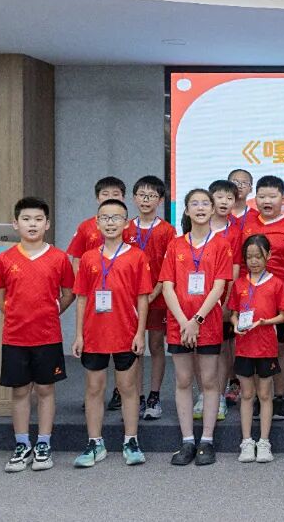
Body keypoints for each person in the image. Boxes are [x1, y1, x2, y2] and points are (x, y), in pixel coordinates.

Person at [0, 197, 75, 472]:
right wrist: (18, 315)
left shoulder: (59, 258)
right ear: (15, 224)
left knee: (45, 389)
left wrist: (50, 312)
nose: (32, 224)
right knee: (19, 390)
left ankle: (43, 444)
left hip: (47, 336)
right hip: (15, 337)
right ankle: (22, 444)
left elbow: (68, 294)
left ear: (47, 224)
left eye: (38, 219)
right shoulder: (5, 259)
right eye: (26, 219)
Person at [72, 198, 152, 467]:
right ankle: (95, 443)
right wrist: (79, 335)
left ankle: (131, 440)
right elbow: (82, 298)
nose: (110, 223)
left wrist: (140, 333)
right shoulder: (88, 258)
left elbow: (143, 298)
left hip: (125, 333)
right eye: (105, 218)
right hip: (94, 334)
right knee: (94, 388)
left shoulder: (137, 256)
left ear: (126, 223)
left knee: (128, 388)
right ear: (97, 223)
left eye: (116, 218)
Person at [160, 189, 233, 466]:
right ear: (186, 210)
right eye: (195, 203)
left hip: (208, 323)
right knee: (182, 380)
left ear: (212, 209)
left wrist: (197, 320)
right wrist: (183, 322)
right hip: (179, 323)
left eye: (205, 203)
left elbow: (219, 287)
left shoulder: (221, 244)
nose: (200, 208)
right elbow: (167, 287)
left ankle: (207, 441)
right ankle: (188, 440)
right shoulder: (175, 245)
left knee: (210, 381)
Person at [244, 175, 284, 421]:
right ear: (255, 199)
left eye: (272, 196)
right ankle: (259, 396)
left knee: (280, 348)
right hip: (252, 299)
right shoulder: (247, 225)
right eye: (262, 196)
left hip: (283, 300)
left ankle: (278, 397)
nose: (267, 201)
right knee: (255, 347)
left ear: (283, 199)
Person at [66, 176, 126, 412]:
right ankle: (93, 394)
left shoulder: (127, 225)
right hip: (93, 296)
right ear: (96, 198)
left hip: (120, 298)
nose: (110, 197)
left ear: (123, 198)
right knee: (93, 346)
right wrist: (84, 286)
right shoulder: (86, 226)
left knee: (123, 348)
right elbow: (76, 259)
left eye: (116, 194)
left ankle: (121, 391)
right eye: (105, 194)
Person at [227, 235, 284, 463]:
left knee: (264, 394)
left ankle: (264, 441)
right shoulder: (239, 284)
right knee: (246, 394)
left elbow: (283, 316)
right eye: (249, 257)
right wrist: (235, 324)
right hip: (244, 347)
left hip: (266, 347)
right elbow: (233, 313)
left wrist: (265, 322)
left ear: (268, 256)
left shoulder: (276, 283)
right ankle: (246, 441)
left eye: (258, 256)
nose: (253, 261)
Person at [123, 176, 175, 421]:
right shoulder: (125, 228)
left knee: (155, 346)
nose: (146, 200)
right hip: (129, 299)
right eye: (142, 195)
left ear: (160, 200)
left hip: (157, 297)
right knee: (133, 348)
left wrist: (154, 292)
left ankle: (154, 396)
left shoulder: (167, 230)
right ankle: (137, 397)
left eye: (152, 195)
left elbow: (169, 267)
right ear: (134, 198)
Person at [205, 179, 242, 423]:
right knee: (201, 351)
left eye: (230, 198)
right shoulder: (199, 225)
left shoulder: (235, 232)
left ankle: (218, 395)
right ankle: (205, 394)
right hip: (198, 299)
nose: (224, 202)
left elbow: (236, 268)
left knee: (223, 347)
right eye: (220, 197)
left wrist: (228, 300)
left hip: (223, 298)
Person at [227, 168, 255, 232]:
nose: (239, 186)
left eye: (244, 183)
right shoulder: (218, 214)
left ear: (251, 189)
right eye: (235, 182)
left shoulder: (257, 216)